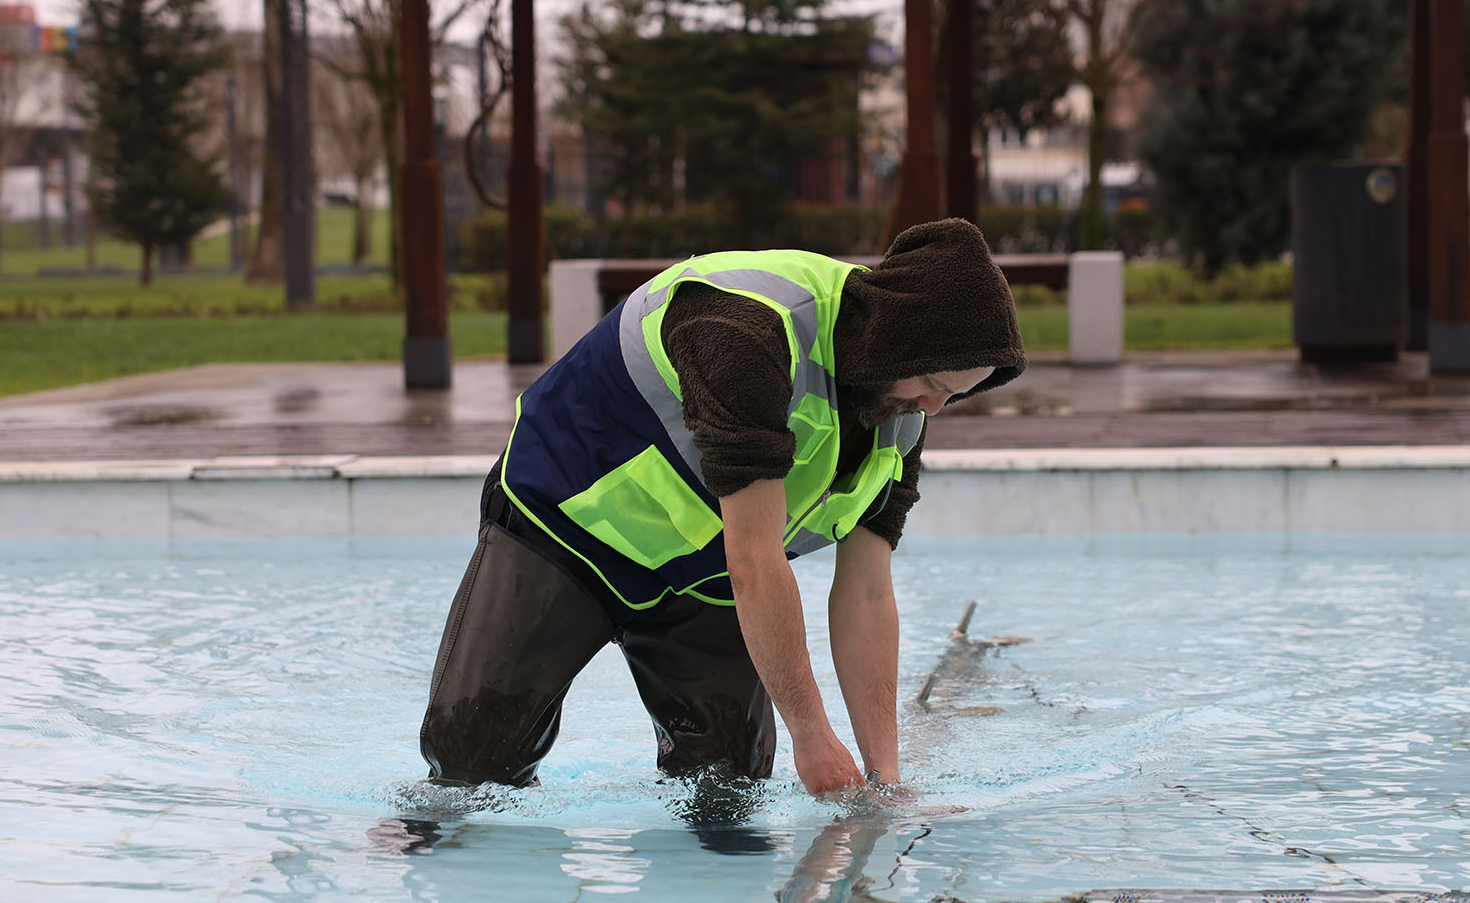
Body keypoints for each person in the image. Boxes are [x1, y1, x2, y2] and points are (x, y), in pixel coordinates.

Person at [420, 217, 1026, 795]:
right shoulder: (745, 328)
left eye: (955, 396)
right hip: (565, 529)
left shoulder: (901, 411)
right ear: (896, 343)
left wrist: (885, 778)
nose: (935, 409)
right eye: (938, 385)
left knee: (727, 786)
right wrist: (811, 736)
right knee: (471, 764)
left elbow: (867, 590)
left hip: (704, 569)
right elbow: (758, 561)